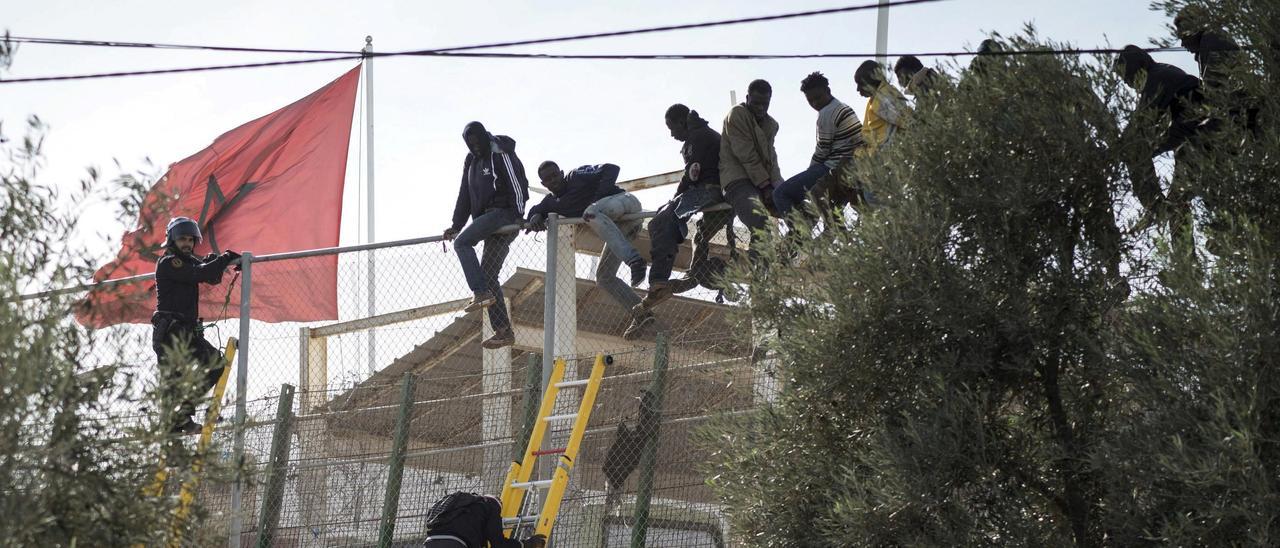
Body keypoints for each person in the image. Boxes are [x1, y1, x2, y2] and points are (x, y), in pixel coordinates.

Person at [526, 161, 654, 339]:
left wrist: (598, 196)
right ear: (543, 184)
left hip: (622, 203)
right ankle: (642, 313)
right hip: (620, 228)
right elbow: (535, 210)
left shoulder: (576, 176)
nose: (553, 180)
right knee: (603, 277)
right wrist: (535, 217)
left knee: (590, 213)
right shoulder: (552, 202)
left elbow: (611, 169)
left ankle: (635, 261)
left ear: (561, 173)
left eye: (555, 175)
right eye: (548, 179)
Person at [444, 121, 529, 350]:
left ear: (484, 137)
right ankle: (503, 331)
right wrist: (456, 224)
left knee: (463, 244)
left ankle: (479, 292)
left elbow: (516, 182)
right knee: (489, 274)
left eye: (477, 142)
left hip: (504, 214)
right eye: (470, 144)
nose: (475, 147)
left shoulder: (499, 150)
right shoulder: (471, 160)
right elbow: (465, 193)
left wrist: (518, 213)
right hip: (485, 219)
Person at [151, 216, 240, 434]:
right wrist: (226, 257)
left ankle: (181, 418)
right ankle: (176, 424)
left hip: (184, 331)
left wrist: (220, 261)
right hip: (172, 332)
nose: (188, 244)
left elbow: (211, 276)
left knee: (212, 365)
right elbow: (201, 273)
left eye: (191, 240)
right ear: (172, 240)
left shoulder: (188, 262)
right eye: (182, 239)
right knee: (178, 381)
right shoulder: (170, 262)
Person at [639, 104, 729, 312]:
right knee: (662, 219)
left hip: (710, 189)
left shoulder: (698, 138)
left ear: (681, 122)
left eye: (672, 128)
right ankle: (659, 281)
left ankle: (659, 282)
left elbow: (693, 174)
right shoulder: (698, 136)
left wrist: (675, 202)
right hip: (708, 189)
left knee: (662, 220)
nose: (671, 134)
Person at [1114, 45, 1205, 235]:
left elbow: (1143, 119)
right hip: (1192, 132)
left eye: (1127, 78)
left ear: (1136, 69)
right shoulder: (1163, 71)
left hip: (1196, 132)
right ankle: (1184, 257)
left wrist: (1121, 147)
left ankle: (1155, 207)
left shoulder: (1157, 78)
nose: (1128, 84)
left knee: (1136, 151)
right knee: (1178, 200)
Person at [773, 71, 864, 217]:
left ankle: (800, 232)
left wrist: (810, 171)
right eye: (810, 101)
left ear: (827, 91)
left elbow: (822, 151)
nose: (815, 104)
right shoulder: (842, 107)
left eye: (818, 98)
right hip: (850, 164)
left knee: (781, 193)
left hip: (835, 165)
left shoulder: (827, 113)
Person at [718, 79, 782, 252]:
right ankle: (758, 275)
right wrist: (766, 185)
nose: (761, 108)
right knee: (761, 224)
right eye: (756, 103)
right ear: (747, 98)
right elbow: (746, 154)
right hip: (738, 181)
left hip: (763, 182)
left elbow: (771, 159)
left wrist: (779, 186)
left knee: (797, 210)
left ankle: (786, 253)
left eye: (765, 104)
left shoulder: (771, 124)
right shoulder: (737, 114)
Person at [422, 492, 545, 548]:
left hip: (430, 542)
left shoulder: (464, 504)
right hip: (455, 543)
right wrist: (527, 544)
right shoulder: (492, 506)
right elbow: (498, 544)